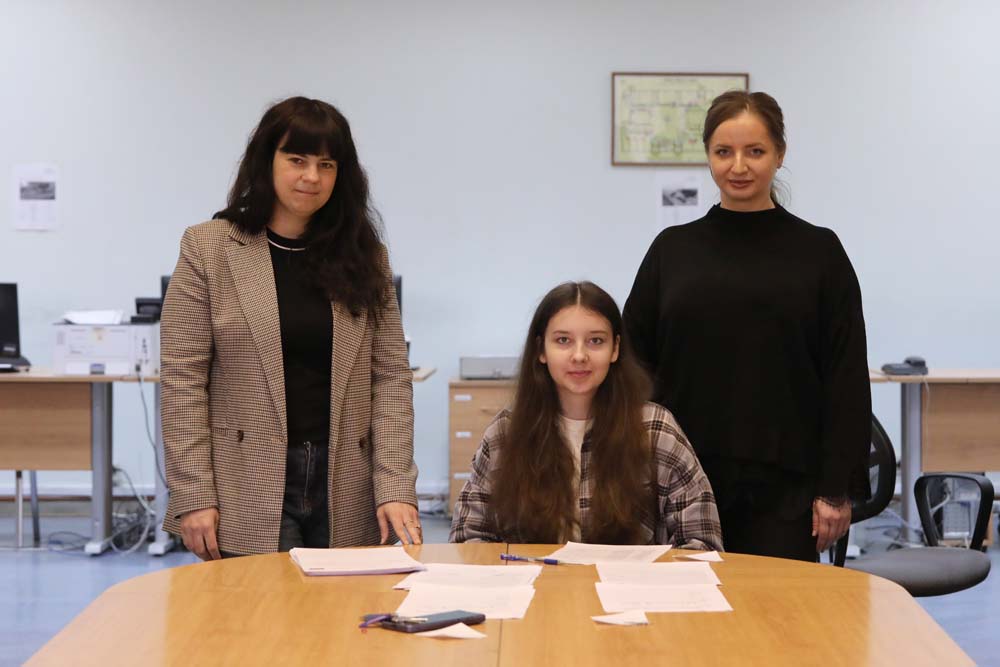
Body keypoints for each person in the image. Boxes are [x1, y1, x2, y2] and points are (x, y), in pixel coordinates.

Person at [161, 96, 420, 559]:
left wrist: (395, 484)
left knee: (344, 605)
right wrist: (193, 493)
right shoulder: (209, 248)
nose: (312, 177)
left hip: (347, 480)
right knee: (261, 604)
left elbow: (391, 379)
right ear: (267, 161)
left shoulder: (365, 256)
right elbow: (183, 380)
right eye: (297, 160)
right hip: (246, 479)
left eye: (326, 164)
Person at [622, 91, 871, 562]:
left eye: (755, 151)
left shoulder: (820, 253)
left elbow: (845, 376)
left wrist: (835, 489)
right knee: (683, 608)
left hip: (786, 491)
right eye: (724, 151)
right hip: (678, 481)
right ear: (708, 156)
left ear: (780, 154)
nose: (738, 166)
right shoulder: (671, 251)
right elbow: (633, 365)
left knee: (777, 609)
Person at [450, 281, 722, 549]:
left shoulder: (656, 429)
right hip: (534, 579)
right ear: (541, 350)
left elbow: (702, 543)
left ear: (615, 349)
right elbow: (467, 540)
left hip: (627, 580)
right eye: (563, 340)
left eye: (595, 341)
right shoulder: (506, 432)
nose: (579, 355)